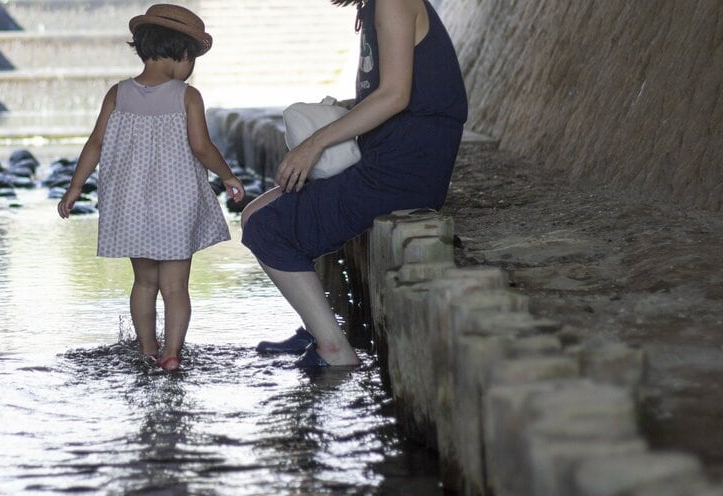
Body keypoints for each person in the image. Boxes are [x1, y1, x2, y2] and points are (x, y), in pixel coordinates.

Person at [241, 0, 467, 368]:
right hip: (386, 158)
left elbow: (395, 95)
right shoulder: (374, 5)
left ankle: (336, 353)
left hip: (405, 170)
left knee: (268, 229)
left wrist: (315, 143)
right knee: (254, 213)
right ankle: (317, 328)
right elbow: (390, 92)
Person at [57, 4, 245, 371]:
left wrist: (74, 188)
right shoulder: (187, 96)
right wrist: (228, 176)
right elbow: (202, 147)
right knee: (175, 287)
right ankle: (171, 353)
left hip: (130, 206)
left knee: (144, 283)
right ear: (184, 55)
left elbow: (94, 143)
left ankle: (146, 348)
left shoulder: (118, 93)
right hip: (176, 206)